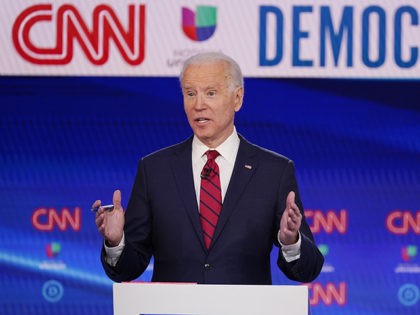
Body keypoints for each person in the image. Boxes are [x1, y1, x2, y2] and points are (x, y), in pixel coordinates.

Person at [93, 52, 324, 284]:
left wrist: (291, 241)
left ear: (237, 98)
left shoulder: (273, 171)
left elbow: (308, 270)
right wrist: (116, 242)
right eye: (190, 94)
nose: (198, 105)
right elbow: (127, 269)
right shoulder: (154, 169)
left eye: (210, 93)